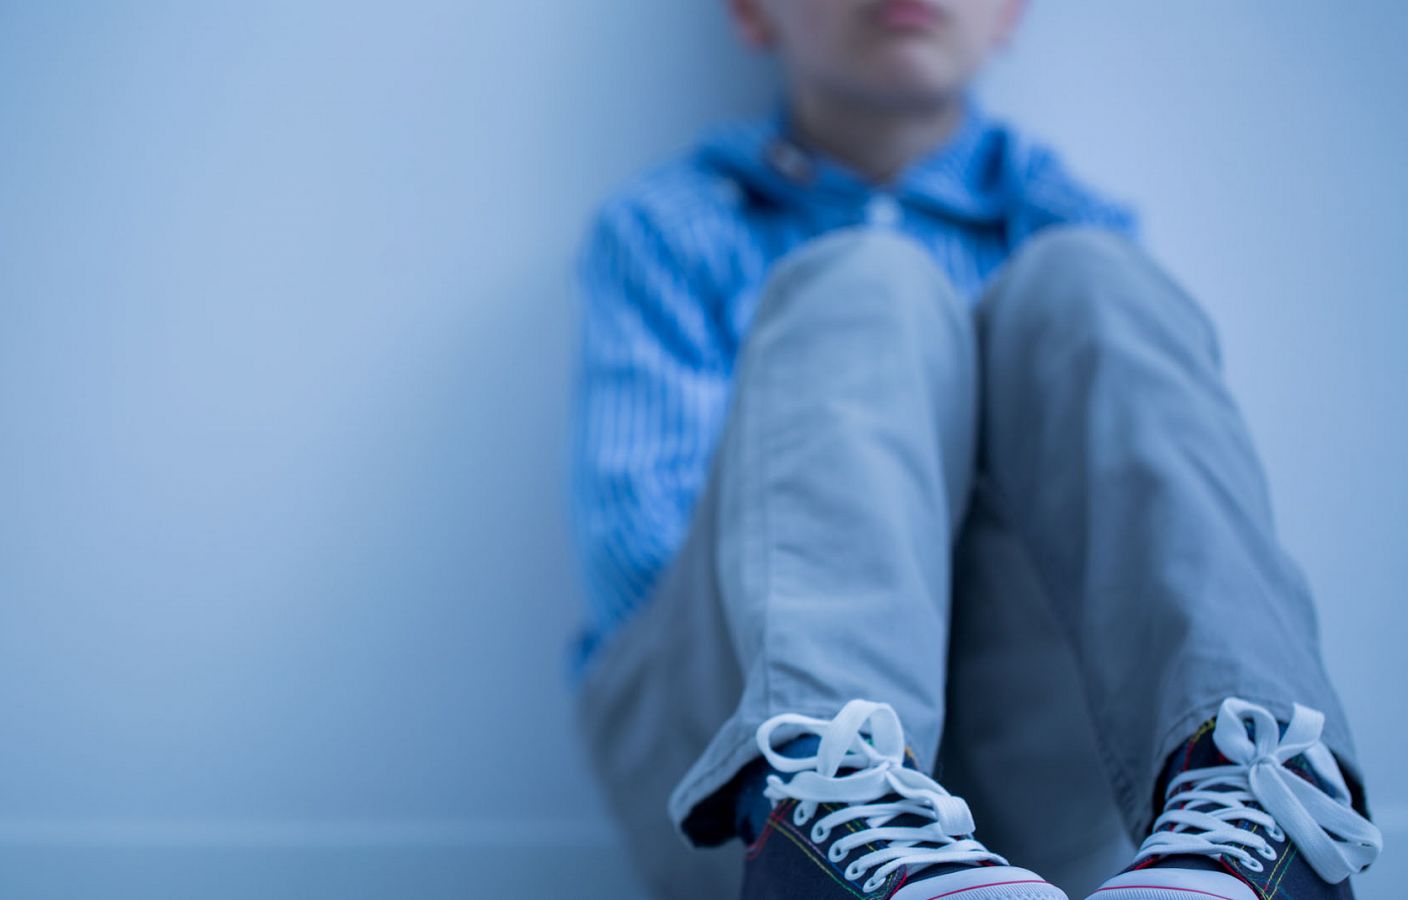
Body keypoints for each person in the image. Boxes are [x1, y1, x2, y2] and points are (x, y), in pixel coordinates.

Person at [563, 2, 1383, 899]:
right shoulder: (672, 227)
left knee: (1092, 282)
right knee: (864, 285)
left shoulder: (1075, 227)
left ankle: (1257, 798)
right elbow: (638, 560)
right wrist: (865, 618)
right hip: (724, 749)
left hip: (1033, 761)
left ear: (1010, 13)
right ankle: (824, 803)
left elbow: (1157, 554)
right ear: (754, 11)